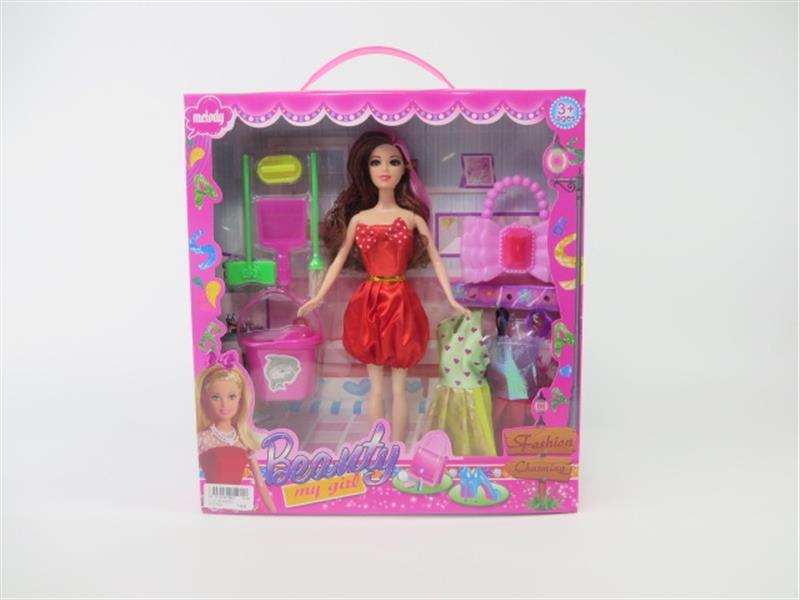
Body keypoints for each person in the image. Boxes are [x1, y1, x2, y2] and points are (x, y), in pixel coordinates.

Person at [297, 131, 468, 442]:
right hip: (370, 303)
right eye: (376, 162)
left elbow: (436, 259)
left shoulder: (412, 219)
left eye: (393, 162)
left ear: (405, 169)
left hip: (401, 303)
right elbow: (338, 260)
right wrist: (318, 296)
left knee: (399, 388)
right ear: (367, 169)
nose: (385, 168)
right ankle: (379, 447)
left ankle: (398, 449)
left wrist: (453, 300)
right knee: (376, 386)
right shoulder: (359, 219)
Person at [196, 363, 277, 513]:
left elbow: (260, 484)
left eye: (232, 397)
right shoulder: (203, 438)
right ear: (205, 400)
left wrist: (274, 512)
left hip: (241, 504)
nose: (224, 404)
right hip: (213, 506)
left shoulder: (244, 439)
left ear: (241, 399)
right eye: (215, 397)